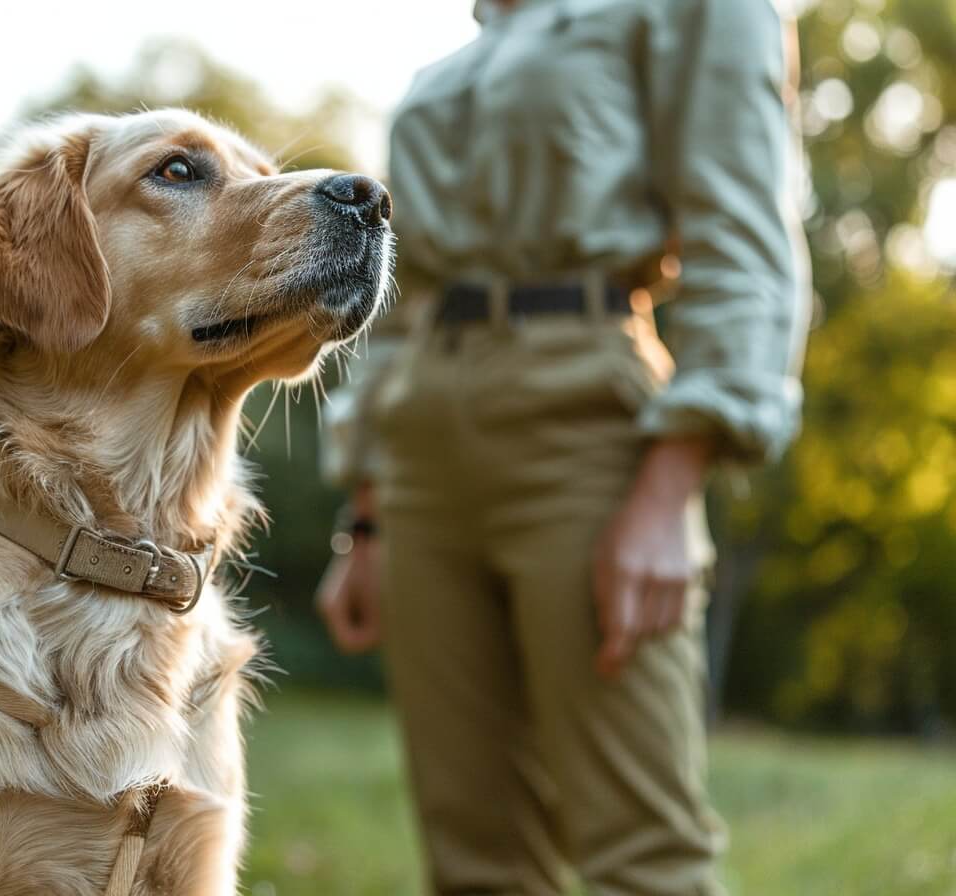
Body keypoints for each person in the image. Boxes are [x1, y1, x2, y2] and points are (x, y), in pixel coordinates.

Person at [315, 0, 811, 893]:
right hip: (424, 443)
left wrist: (669, 490)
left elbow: (744, 232)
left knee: (642, 851)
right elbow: (402, 306)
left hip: (585, 423)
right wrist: (369, 519)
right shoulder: (464, 59)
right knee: (473, 852)